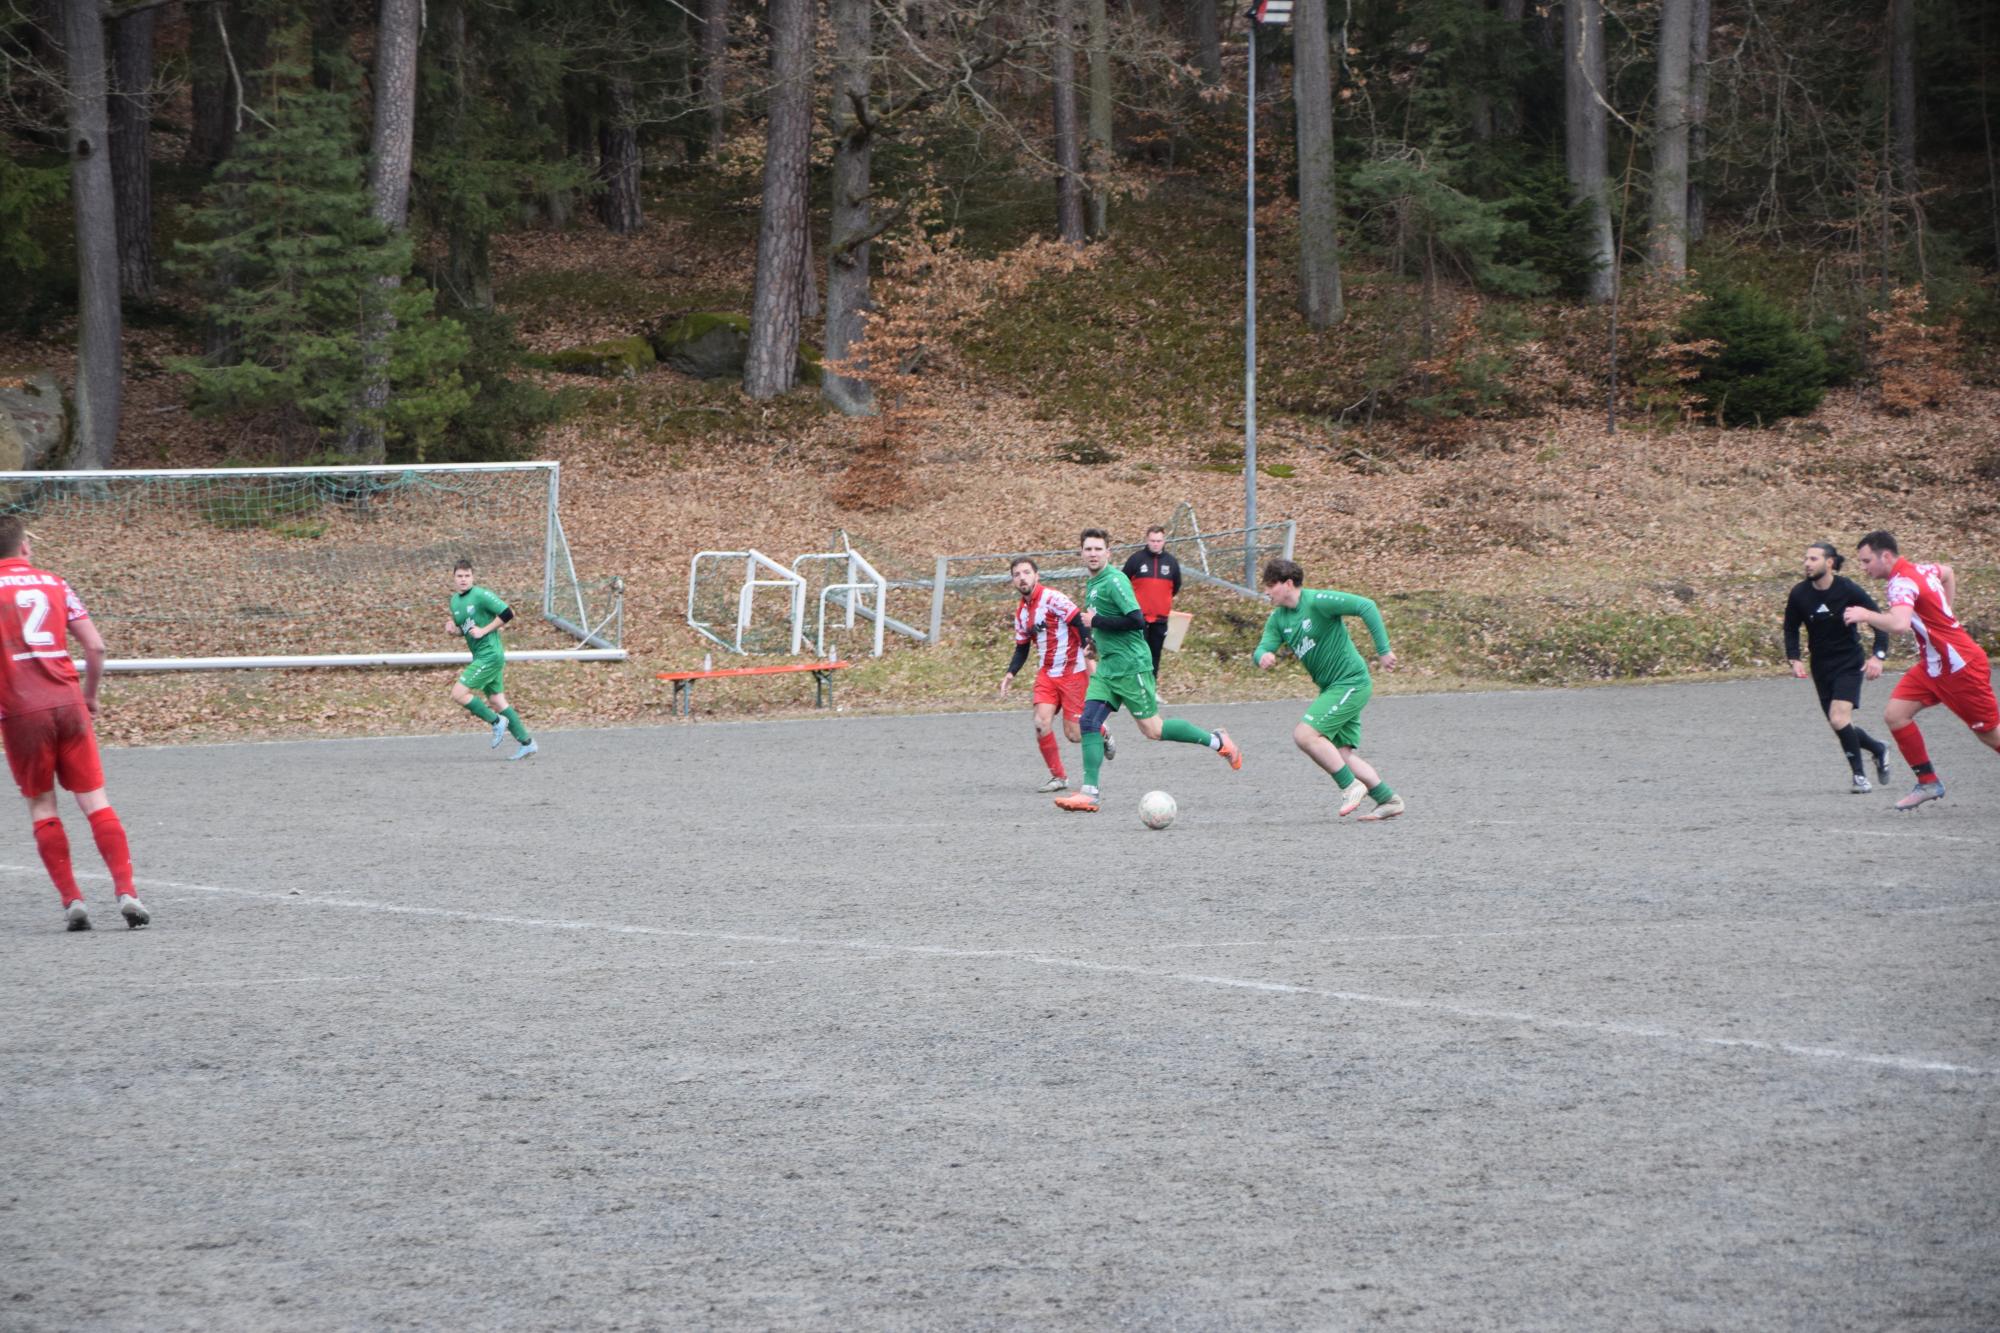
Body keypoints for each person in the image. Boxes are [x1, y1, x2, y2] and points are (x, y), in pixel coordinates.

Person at [0, 517, 149, 931]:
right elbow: (95, 647)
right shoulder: (55, 583)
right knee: (95, 801)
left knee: (42, 805)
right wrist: (90, 695)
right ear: (24, 547)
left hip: (21, 711)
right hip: (68, 704)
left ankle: (73, 902)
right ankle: (127, 892)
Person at [1054, 530, 1240, 813]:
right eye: (1088, 549)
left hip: (1132, 667)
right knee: (1089, 720)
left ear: (1108, 553)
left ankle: (1218, 741)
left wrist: (1097, 621)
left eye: (1098, 549)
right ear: (1081, 553)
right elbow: (1107, 623)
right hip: (1108, 667)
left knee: (1154, 730)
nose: (1093, 553)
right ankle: (1089, 793)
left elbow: (1136, 620)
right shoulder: (1093, 584)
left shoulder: (1115, 580)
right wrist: (1094, 645)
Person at [1844, 530, 1998, 810]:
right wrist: (1945, 615)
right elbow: (1948, 572)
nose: (1863, 567)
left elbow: (1899, 624)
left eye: (1866, 561)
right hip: (1934, 665)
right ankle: (1928, 782)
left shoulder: (1900, 583)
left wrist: (1865, 615)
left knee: (1989, 733)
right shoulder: (1922, 570)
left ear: (1886, 556)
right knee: (1896, 715)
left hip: (1960, 667)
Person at [1254, 558, 1405, 821]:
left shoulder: (1318, 601)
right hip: (1332, 689)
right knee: (1340, 754)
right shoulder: (1278, 619)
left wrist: (1383, 651)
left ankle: (1350, 786)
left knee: (1304, 735)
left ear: (1288, 584)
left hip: (1351, 682)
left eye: (1270, 585)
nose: (1267, 592)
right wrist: (1263, 656)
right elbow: (1262, 647)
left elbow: (1366, 606)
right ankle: (1388, 799)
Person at [1783, 541, 1892, 793]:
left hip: (1849, 663)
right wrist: (1794, 658)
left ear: (1829, 562)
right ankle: (1878, 748)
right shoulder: (1799, 593)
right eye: (1806, 559)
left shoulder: (1847, 589)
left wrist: (1878, 656)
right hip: (1821, 666)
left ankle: (1860, 777)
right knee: (1839, 723)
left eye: (1813, 559)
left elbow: (1880, 620)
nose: (1807, 564)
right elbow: (1790, 628)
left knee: (1839, 718)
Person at [999, 557, 1113, 792]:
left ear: (1037, 575)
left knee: (1074, 734)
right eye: (1017, 574)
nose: (1022, 578)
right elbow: (1022, 647)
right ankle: (1059, 777)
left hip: (1072, 672)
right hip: (1047, 674)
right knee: (1040, 723)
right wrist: (1010, 673)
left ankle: (1102, 731)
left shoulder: (1053, 598)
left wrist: (1088, 647)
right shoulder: (1021, 612)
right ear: (1013, 581)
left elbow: (1079, 621)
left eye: (1026, 572)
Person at [449, 559, 537, 760]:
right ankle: (527, 743)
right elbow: (466, 630)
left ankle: (497, 722)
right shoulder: (454, 601)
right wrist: (454, 631)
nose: (463, 579)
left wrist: (484, 630)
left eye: (467, 575)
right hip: (481, 656)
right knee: (497, 701)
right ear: (454, 578)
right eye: (459, 576)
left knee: (458, 693)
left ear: (473, 577)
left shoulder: (480, 595)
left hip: (490, 655)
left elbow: (508, 613)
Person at [1122, 525, 1182, 674]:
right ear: (1147, 540)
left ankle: (1151, 685)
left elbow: (1175, 587)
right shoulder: (1136, 559)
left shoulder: (1171, 562)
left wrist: (1162, 601)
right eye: (1153, 541)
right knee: (1137, 654)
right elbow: (1123, 584)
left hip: (1160, 619)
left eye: (1159, 541)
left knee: (1155, 655)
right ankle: (1135, 684)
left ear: (1164, 541)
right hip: (1138, 618)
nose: (1155, 544)